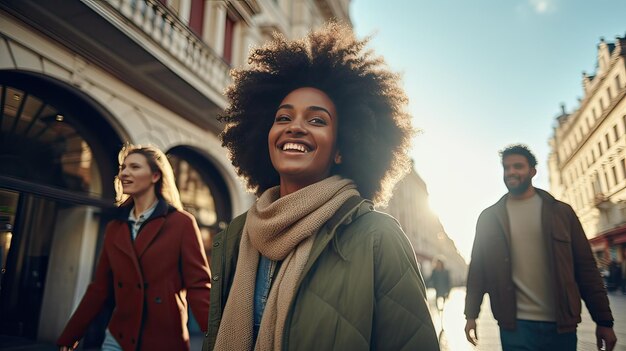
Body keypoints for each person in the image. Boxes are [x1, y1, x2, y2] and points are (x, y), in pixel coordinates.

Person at [202, 23, 439, 351]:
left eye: (316, 120)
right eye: (283, 118)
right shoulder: (237, 235)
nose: (295, 127)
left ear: (343, 148)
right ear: (264, 136)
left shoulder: (378, 237)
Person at [57, 144, 211, 351]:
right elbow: (99, 288)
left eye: (135, 167)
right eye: (123, 167)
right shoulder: (115, 226)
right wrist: (70, 336)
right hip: (118, 337)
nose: (124, 173)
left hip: (164, 339)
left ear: (155, 176)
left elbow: (198, 286)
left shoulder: (181, 223)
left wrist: (217, 335)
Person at [464, 144, 616, 351]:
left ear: (532, 171)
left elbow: (586, 268)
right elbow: (478, 270)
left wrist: (604, 321)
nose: (511, 172)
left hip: (561, 324)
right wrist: (471, 315)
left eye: (518, 166)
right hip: (514, 325)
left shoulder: (562, 212)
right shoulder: (489, 218)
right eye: (506, 167)